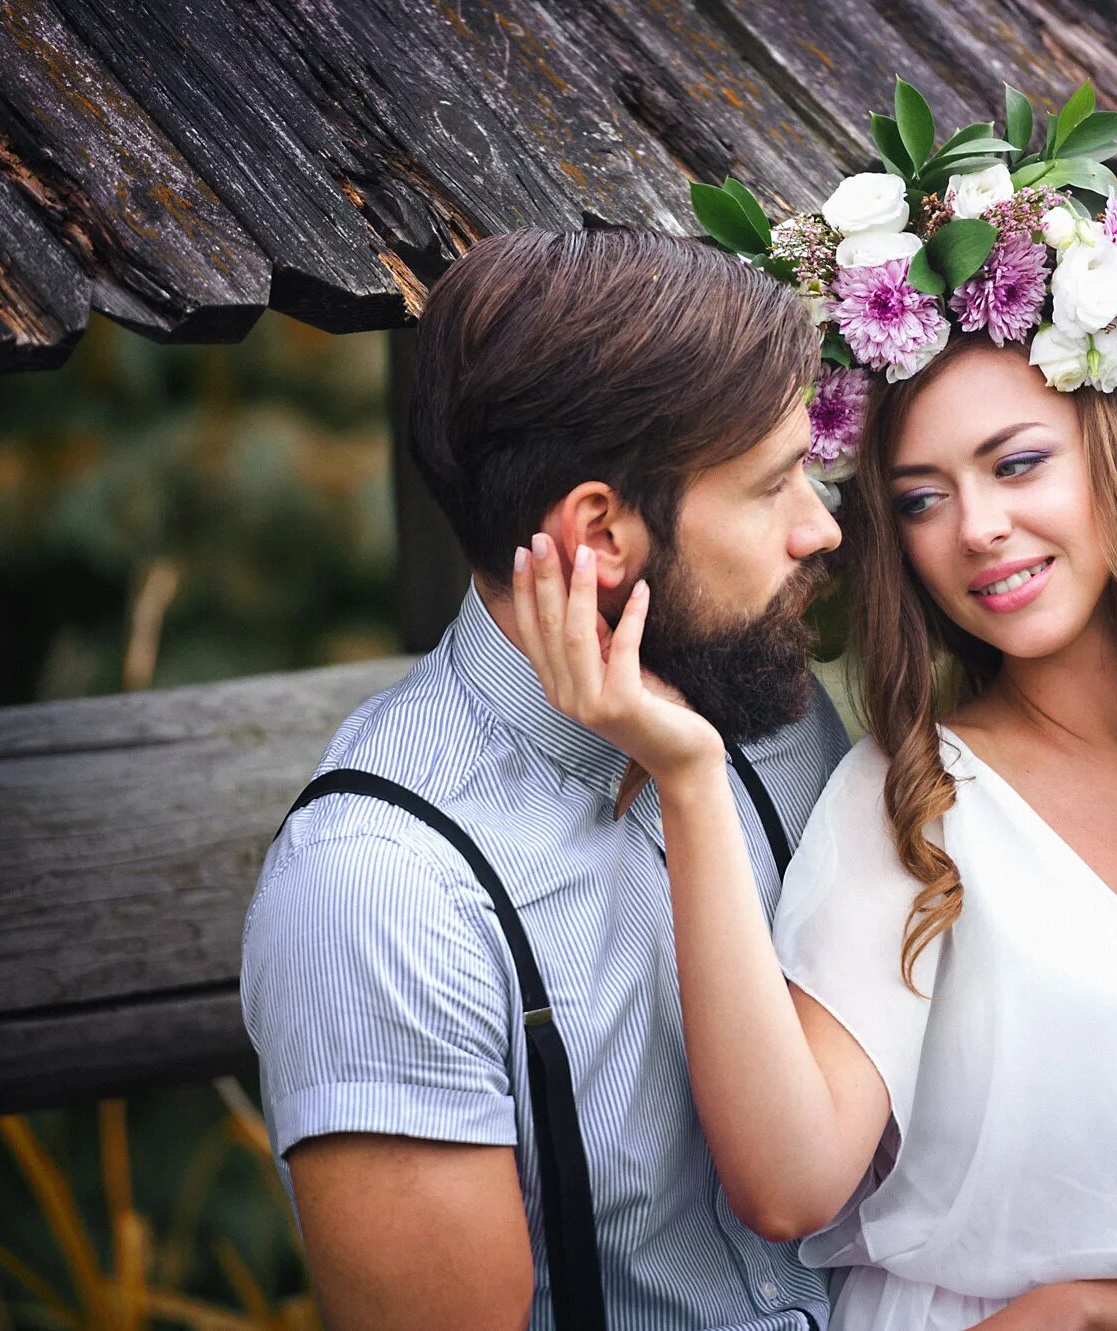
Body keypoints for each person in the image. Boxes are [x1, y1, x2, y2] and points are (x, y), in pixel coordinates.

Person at [509, 136, 1117, 1328]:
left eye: (1016, 464)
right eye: (918, 496)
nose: (975, 528)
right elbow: (784, 1181)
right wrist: (689, 774)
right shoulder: (914, 806)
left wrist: (1092, 1312)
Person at [240, 226, 850, 1330]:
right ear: (600, 533)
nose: (821, 525)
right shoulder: (381, 893)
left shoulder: (777, 716)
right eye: (772, 486)